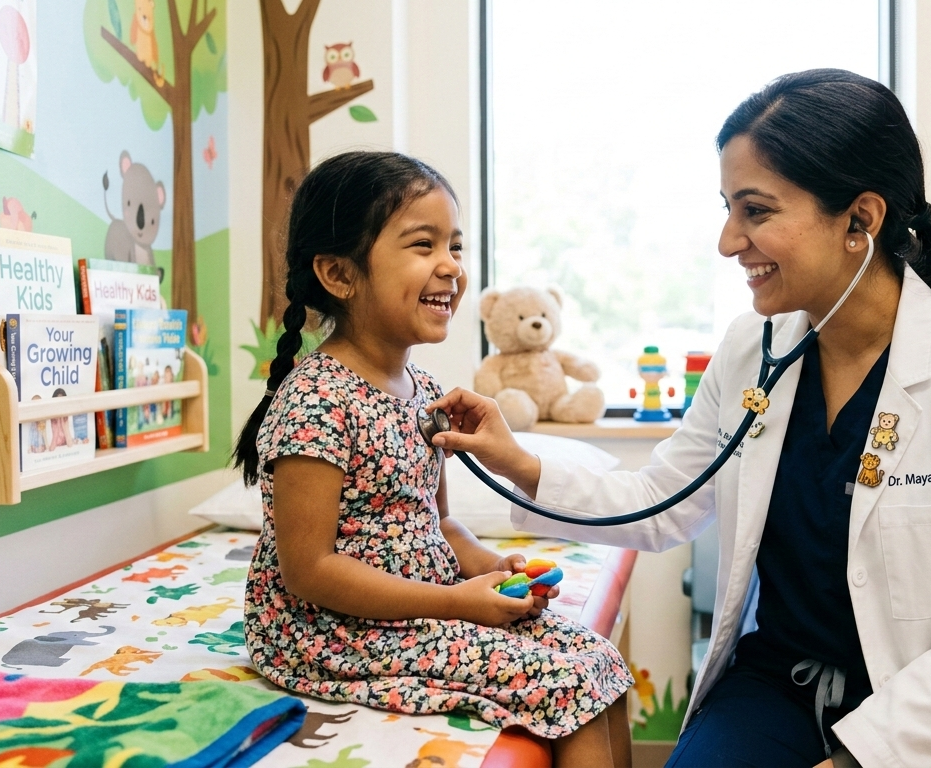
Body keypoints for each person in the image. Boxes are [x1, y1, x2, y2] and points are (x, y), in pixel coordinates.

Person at [430, 70, 931, 768]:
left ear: (860, 219)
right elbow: (664, 500)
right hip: (780, 686)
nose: (727, 241)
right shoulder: (755, 349)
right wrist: (517, 460)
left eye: (756, 211)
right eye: (728, 208)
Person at [232, 151, 633, 768]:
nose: (451, 267)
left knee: (599, 659)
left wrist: (494, 570)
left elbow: (438, 523)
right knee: (568, 684)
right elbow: (307, 570)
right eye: (423, 245)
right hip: (330, 630)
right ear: (340, 274)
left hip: (419, 601)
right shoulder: (315, 400)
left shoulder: (423, 390)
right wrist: (456, 602)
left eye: (455, 246)